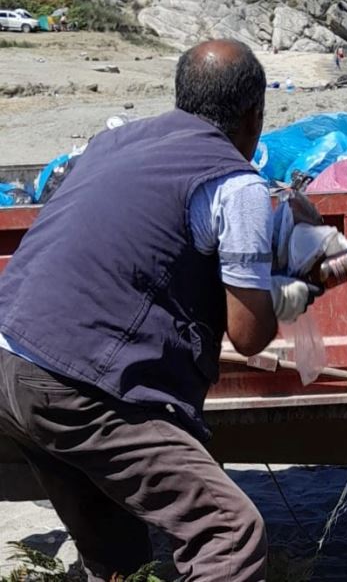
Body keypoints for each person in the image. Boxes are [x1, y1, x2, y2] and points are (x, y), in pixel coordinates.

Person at [0, 39, 321, 581]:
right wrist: (300, 284)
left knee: (119, 556)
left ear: (181, 97)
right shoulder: (234, 184)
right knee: (229, 532)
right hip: (75, 385)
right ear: (254, 116)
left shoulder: (111, 142)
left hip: (12, 362)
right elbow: (247, 334)